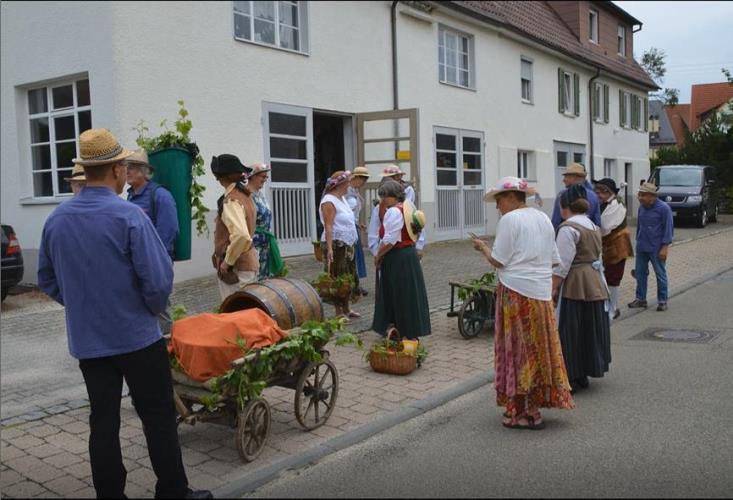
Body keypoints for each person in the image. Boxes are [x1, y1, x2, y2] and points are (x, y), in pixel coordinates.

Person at [37, 128, 211, 499]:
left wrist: (83, 305)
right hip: (136, 338)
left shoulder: (56, 220)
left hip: (89, 342)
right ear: (116, 170)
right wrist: (146, 311)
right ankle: (173, 492)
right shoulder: (128, 216)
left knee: (102, 421)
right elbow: (158, 281)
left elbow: (47, 279)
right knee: (158, 417)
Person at [473, 176, 574, 430]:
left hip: (516, 292)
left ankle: (520, 411)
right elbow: (554, 259)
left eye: (498, 201)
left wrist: (483, 248)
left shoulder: (510, 220)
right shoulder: (542, 217)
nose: (497, 207)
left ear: (510, 198)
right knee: (539, 349)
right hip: (540, 293)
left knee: (517, 351)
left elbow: (499, 260)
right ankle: (533, 408)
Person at [552, 184, 611, 393]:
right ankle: (585, 373)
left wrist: (553, 288)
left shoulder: (568, 228)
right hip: (594, 280)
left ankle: (571, 376)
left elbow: (562, 264)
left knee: (572, 330)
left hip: (576, 283)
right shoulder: (593, 226)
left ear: (564, 206)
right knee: (589, 329)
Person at [372, 181, 431, 340]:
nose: (383, 200)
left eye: (385, 196)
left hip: (398, 257)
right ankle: (405, 328)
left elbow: (390, 240)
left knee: (400, 294)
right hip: (408, 255)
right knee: (407, 292)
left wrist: (379, 255)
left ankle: (404, 330)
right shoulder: (407, 207)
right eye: (382, 196)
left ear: (394, 195)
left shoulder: (394, 212)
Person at [211, 154, 258, 301]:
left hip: (237, 270)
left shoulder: (231, 200)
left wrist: (227, 262)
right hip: (246, 265)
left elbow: (241, 235)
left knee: (235, 317)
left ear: (221, 177)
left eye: (217, 175)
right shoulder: (244, 195)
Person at [319, 170, 360, 320]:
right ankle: (338, 312)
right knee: (337, 277)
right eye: (348, 182)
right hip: (336, 244)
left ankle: (347, 308)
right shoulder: (329, 200)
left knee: (348, 276)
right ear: (341, 184)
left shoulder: (341, 198)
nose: (349, 185)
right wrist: (329, 248)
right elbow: (329, 226)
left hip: (347, 244)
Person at [126, 149, 179, 260]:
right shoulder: (130, 195)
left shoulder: (161, 195)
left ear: (142, 171)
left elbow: (168, 232)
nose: (126, 171)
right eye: (126, 167)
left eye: (130, 167)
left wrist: (154, 260)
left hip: (155, 261)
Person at [628, 182, 674, 312]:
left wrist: (665, 247)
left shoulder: (664, 208)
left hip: (657, 247)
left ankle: (662, 301)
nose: (639, 197)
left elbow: (668, 229)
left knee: (660, 274)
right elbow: (639, 226)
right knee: (640, 273)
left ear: (652, 196)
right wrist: (637, 241)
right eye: (639, 194)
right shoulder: (642, 207)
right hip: (642, 245)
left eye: (643, 195)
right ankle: (641, 299)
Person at [593, 178, 634, 320]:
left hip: (617, 245)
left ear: (608, 192)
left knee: (613, 277)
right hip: (606, 246)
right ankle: (607, 307)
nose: (598, 195)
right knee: (605, 277)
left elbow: (604, 227)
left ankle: (613, 308)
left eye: (601, 192)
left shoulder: (617, 205)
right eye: (596, 192)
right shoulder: (603, 204)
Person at [247, 162, 284, 279]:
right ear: (252, 177)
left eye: (266, 177)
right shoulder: (247, 195)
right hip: (254, 244)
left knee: (266, 277)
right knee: (255, 277)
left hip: (265, 244)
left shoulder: (260, 195)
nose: (265, 179)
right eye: (263, 176)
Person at [551, 163, 601, 229]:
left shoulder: (563, 195)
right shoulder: (594, 196)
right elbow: (597, 222)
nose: (563, 180)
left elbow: (556, 221)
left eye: (566, 177)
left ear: (574, 177)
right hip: (588, 234)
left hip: (567, 234)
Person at [345, 166, 370, 296]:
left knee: (356, 257)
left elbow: (351, 213)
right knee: (351, 257)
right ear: (357, 178)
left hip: (353, 227)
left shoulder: (354, 191)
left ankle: (356, 284)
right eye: (363, 180)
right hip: (347, 229)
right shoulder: (346, 191)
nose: (363, 184)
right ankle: (350, 285)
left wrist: (358, 224)